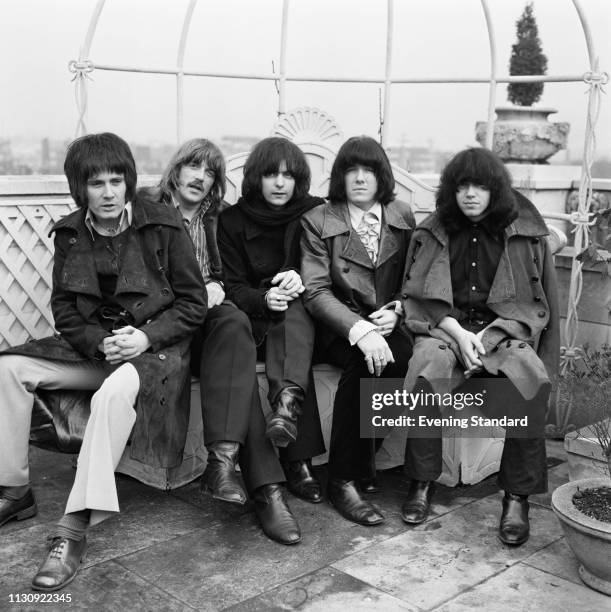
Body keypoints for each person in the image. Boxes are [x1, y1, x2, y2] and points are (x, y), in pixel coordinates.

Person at [0, 133, 207, 590]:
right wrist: (99, 343)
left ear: (129, 182)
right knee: (8, 368)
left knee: (114, 391)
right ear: (81, 188)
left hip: (154, 352)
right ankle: (14, 490)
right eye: (97, 184)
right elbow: (64, 310)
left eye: (117, 181)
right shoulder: (71, 233)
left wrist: (144, 336)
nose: (109, 192)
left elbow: (194, 304)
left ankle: (72, 529)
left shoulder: (163, 226)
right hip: (96, 349)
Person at [401, 147, 559, 545]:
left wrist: (489, 339)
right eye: (462, 185)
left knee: (530, 382)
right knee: (426, 370)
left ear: (496, 190)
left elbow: (540, 307)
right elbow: (414, 297)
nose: (470, 193)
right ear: (452, 190)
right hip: (444, 331)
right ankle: (421, 483)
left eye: (481, 186)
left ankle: (517, 498)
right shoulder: (432, 231)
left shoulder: (525, 235)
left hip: (505, 334)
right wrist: (456, 332)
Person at [148, 138, 303, 545]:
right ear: (176, 169)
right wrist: (200, 293)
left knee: (233, 321)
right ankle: (267, 490)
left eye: (211, 171)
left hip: (214, 329)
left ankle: (222, 465)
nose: (201, 177)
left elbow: (231, 281)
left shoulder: (219, 219)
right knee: (241, 376)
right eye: (193, 167)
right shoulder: (147, 213)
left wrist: (216, 286)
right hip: (166, 329)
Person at [301, 135, 420, 526]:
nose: (359, 178)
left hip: (388, 322)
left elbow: (416, 276)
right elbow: (316, 291)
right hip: (338, 327)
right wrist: (359, 330)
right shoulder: (319, 220)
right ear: (339, 177)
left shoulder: (401, 216)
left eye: (368, 170)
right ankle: (343, 479)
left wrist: (400, 310)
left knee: (401, 357)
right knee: (365, 360)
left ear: (381, 175)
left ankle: (365, 458)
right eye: (350, 170)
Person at [217, 137, 326, 508]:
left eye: (288, 175)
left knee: (295, 315)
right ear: (255, 178)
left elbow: (327, 269)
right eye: (270, 175)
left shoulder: (315, 212)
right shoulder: (231, 221)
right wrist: (263, 298)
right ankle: (299, 462)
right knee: (289, 326)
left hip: (304, 319)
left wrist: (301, 277)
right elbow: (231, 285)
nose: (280, 183)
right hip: (253, 320)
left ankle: (286, 412)